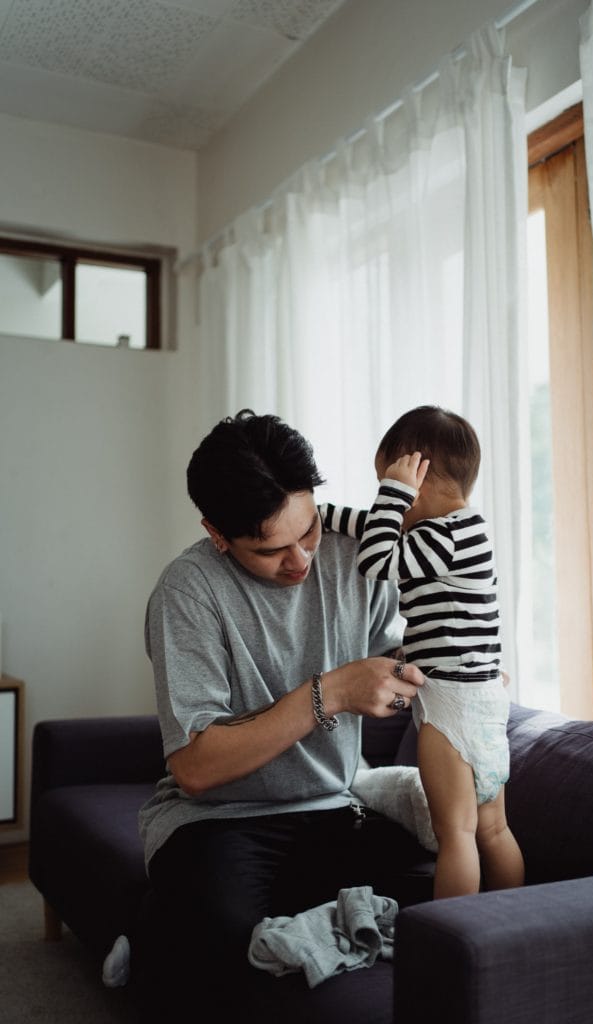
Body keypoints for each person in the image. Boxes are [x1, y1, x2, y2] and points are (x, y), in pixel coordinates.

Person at [136, 409, 432, 1023]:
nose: (300, 560)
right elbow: (195, 767)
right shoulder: (188, 592)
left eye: (310, 530)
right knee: (224, 938)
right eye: (270, 550)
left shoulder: (357, 553)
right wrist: (332, 692)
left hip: (333, 807)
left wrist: (443, 666)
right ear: (217, 534)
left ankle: (188, 933)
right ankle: (154, 944)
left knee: (445, 890)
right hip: (215, 821)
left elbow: (399, 656)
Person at [320, 405, 524, 900]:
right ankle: (511, 922)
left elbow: (374, 560)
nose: (385, 502)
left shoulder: (440, 535)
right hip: (483, 701)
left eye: (388, 487)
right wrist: (319, 516)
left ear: (419, 480)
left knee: (456, 833)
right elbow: (374, 527)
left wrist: (393, 492)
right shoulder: (466, 530)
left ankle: (455, 938)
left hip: (452, 707)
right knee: (492, 829)